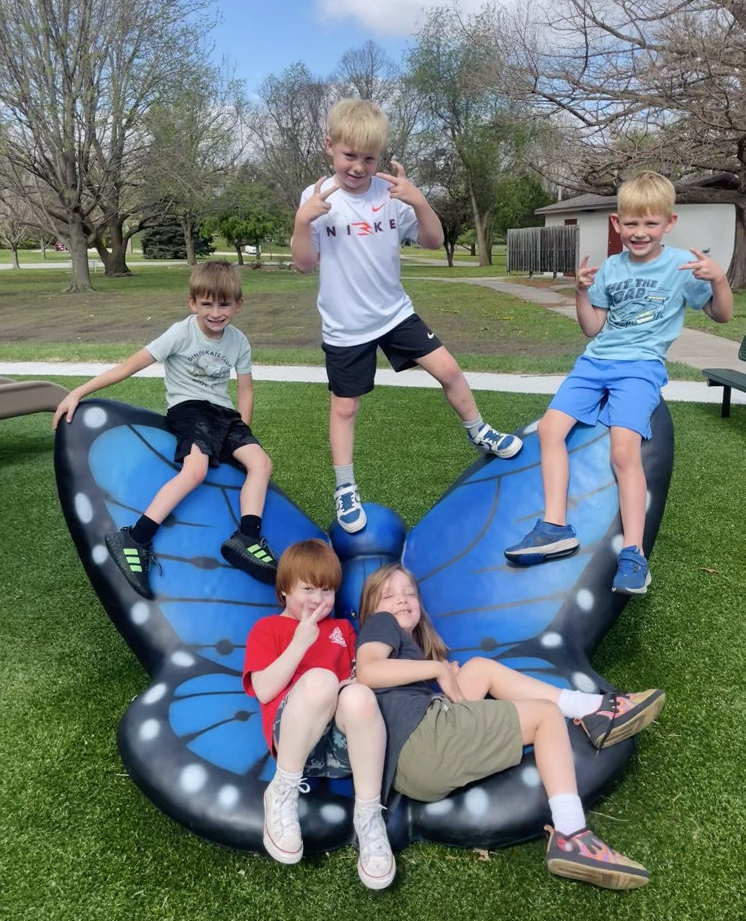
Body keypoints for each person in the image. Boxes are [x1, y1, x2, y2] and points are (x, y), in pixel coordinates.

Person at [355, 563, 666, 890]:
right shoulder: (381, 624)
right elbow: (368, 672)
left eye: (409, 593)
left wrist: (446, 679)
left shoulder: (407, 654)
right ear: (371, 611)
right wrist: (437, 669)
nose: (402, 600)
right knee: (545, 716)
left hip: (411, 763)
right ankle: (572, 832)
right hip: (422, 743)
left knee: (478, 670)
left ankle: (594, 709)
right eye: (388, 595)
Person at [291, 98, 523, 534]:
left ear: (380, 157)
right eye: (349, 156)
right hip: (345, 327)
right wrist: (303, 223)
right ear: (329, 146)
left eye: (368, 157)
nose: (358, 167)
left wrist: (419, 202)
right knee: (344, 409)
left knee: (450, 370)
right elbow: (304, 264)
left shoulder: (391, 193)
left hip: (396, 314)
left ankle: (479, 431)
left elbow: (433, 241)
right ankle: (345, 488)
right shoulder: (316, 198)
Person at [504, 171, 733, 593]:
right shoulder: (610, 268)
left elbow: (722, 316)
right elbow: (592, 329)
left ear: (669, 223)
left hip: (640, 367)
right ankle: (555, 527)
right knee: (551, 429)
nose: (640, 232)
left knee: (624, 449)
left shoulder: (681, 266)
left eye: (650, 224)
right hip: (595, 363)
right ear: (617, 223)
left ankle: (634, 555)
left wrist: (718, 278)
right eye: (631, 223)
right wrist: (579, 292)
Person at [52, 260, 277, 596]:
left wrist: (242, 430)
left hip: (224, 414)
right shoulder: (180, 333)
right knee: (196, 470)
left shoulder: (239, 341)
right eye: (207, 304)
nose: (216, 313)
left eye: (224, 304)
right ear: (193, 303)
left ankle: (246, 537)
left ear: (238, 305)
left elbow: (245, 389)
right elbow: (130, 365)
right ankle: (135, 536)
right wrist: (79, 391)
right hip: (189, 410)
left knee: (261, 463)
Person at [243, 539, 395, 890]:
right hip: (296, 745)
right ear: (284, 590)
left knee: (357, 694)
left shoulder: (343, 630)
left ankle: (369, 818)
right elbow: (264, 690)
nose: (318, 600)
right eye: (308, 589)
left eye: (327, 591)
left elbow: (360, 677)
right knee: (323, 680)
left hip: (342, 751)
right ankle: (281, 792)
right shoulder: (267, 628)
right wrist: (300, 642)